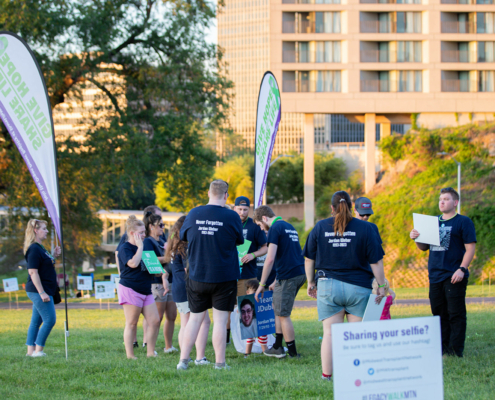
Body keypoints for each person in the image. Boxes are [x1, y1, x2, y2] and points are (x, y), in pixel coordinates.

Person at [303, 190, 386, 381]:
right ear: (351, 207)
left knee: (330, 335)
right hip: (359, 287)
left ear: (332, 208)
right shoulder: (366, 228)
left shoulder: (320, 226)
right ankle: (355, 376)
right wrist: (381, 285)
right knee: (356, 336)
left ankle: (327, 376)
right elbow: (376, 261)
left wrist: (310, 282)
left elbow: (309, 259)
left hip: (328, 286)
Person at [177, 179, 244, 370]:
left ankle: (183, 361)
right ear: (226, 195)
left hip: (197, 274)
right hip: (224, 275)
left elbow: (184, 236)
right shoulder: (232, 216)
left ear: (208, 193)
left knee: (195, 319)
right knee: (220, 321)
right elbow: (239, 240)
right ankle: (220, 363)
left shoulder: (194, 213)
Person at [410, 187, 476, 358]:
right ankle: (442, 349)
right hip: (435, 275)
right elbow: (424, 247)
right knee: (438, 314)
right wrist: (416, 237)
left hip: (454, 274)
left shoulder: (463, 222)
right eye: (440, 199)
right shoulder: (431, 222)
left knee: (456, 313)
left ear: (455, 202)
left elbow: (470, 248)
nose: (442, 202)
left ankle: (455, 351)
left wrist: (462, 269)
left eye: (446, 199)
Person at [253, 206, 306, 359]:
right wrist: (275, 280)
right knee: (277, 306)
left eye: (259, 225)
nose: (261, 229)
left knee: (283, 314)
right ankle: (277, 346)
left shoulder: (275, 228)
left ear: (264, 219)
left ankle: (293, 353)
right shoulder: (288, 226)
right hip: (296, 273)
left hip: (289, 276)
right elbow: (287, 255)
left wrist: (261, 285)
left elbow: (270, 259)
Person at [115, 205, 166, 349]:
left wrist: (162, 273)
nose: (144, 235)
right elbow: (133, 263)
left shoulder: (143, 245)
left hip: (146, 289)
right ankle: (130, 354)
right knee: (132, 323)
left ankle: (150, 351)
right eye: (141, 232)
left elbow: (152, 268)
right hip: (131, 289)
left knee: (155, 321)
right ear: (132, 233)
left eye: (144, 232)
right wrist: (140, 247)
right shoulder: (125, 248)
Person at [166, 216, 211, 366]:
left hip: (177, 287)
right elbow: (188, 268)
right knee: (204, 321)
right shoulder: (185, 246)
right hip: (187, 286)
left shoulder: (174, 245)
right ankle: (200, 357)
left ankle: (186, 356)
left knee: (185, 323)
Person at [225, 196, 267, 344]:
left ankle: (248, 341)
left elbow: (265, 247)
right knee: (227, 308)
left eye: (245, 210)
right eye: (239, 209)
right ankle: (226, 338)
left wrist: (252, 254)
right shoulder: (227, 222)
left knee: (245, 307)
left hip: (247, 275)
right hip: (227, 273)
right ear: (234, 208)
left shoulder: (254, 226)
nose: (242, 212)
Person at [24, 219, 61, 357]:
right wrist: (42, 293)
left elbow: (44, 265)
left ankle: (30, 352)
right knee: (50, 320)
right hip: (39, 290)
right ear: (36, 230)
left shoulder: (40, 248)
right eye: (44, 229)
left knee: (36, 321)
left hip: (45, 289)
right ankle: (38, 351)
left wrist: (54, 255)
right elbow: (33, 272)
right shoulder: (33, 249)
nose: (46, 231)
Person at [142, 212, 177, 354]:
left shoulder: (162, 240)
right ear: (151, 226)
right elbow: (150, 260)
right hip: (156, 282)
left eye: (163, 225)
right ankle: (151, 348)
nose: (163, 228)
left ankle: (168, 346)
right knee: (157, 317)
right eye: (160, 225)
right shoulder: (148, 241)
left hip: (171, 281)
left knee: (172, 316)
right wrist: (168, 256)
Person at [244, 279, 268, 358]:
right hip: (251, 324)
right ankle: (247, 354)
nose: (256, 294)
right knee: (249, 339)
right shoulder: (246, 301)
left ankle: (266, 353)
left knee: (263, 339)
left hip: (261, 323)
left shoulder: (262, 299)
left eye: (258, 291)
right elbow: (241, 309)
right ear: (248, 292)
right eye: (254, 292)